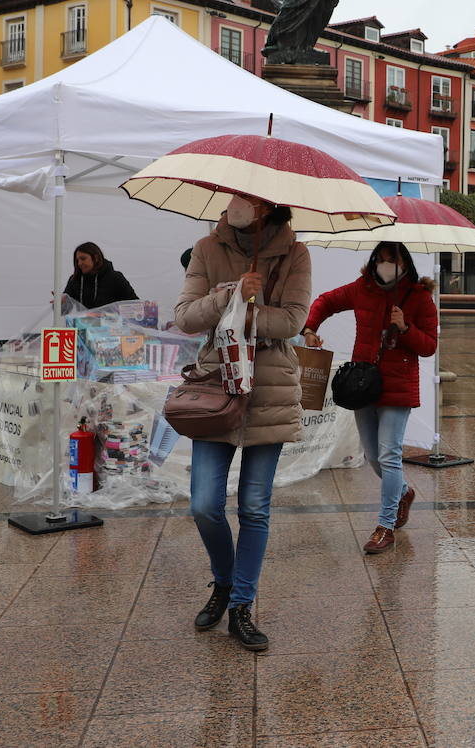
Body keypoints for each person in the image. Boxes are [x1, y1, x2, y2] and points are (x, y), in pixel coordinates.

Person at [174, 193, 312, 652]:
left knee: (254, 506)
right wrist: (227, 297)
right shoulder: (205, 248)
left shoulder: (295, 253)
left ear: (270, 206)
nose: (238, 203)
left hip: (269, 388)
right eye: (236, 195)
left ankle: (241, 605)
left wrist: (250, 308)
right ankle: (223, 581)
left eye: (249, 199)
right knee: (203, 503)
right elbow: (185, 317)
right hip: (217, 386)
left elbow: (293, 321)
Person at [303, 241, 439, 555]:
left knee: (389, 456)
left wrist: (405, 328)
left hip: (398, 386)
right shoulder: (362, 289)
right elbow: (326, 301)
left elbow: (429, 346)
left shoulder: (418, 297)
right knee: (375, 459)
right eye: (380, 259)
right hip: (363, 384)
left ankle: (385, 526)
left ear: (404, 263)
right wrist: (310, 327)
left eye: (391, 260)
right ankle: (403, 493)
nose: (384, 265)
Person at [62, 242, 138, 310]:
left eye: (83, 259)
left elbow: (135, 304)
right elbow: (64, 312)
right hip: (81, 325)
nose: (79, 263)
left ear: (96, 258)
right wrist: (60, 304)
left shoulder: (115, 278)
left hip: (111, 325)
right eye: (77, 260)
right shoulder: (74, 280)